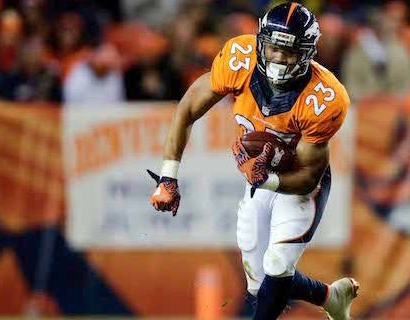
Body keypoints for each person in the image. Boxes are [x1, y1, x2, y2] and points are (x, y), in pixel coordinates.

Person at [147, 3, 358, 319]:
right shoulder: (239, 59)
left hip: (298, 185)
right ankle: (330, 296)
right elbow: (188, 109)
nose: (278, 58)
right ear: (261, 41)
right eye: (273, 47)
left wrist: (267, 178)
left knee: (277, 263)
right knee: (261, 283)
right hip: (260, 181)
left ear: (307, 53)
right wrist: (168, 177)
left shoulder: (325, 97)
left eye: (289, 52)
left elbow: (309, 177)